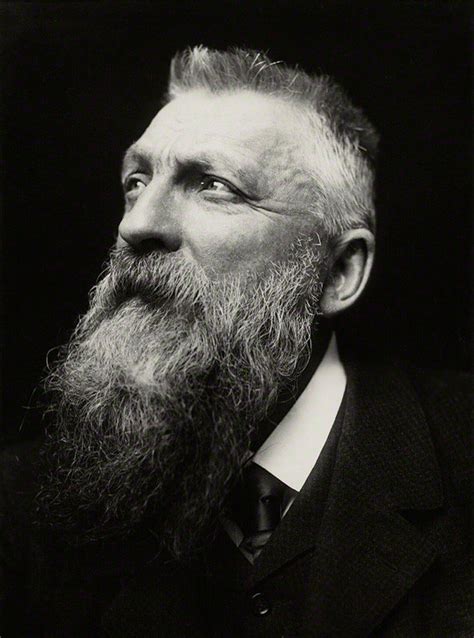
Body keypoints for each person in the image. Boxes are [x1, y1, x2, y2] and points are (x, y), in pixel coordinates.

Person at [1, 46, 472, 637]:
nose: (136, 225)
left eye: (214, 185)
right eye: (136, 181)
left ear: (338, 272)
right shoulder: (19, 507)